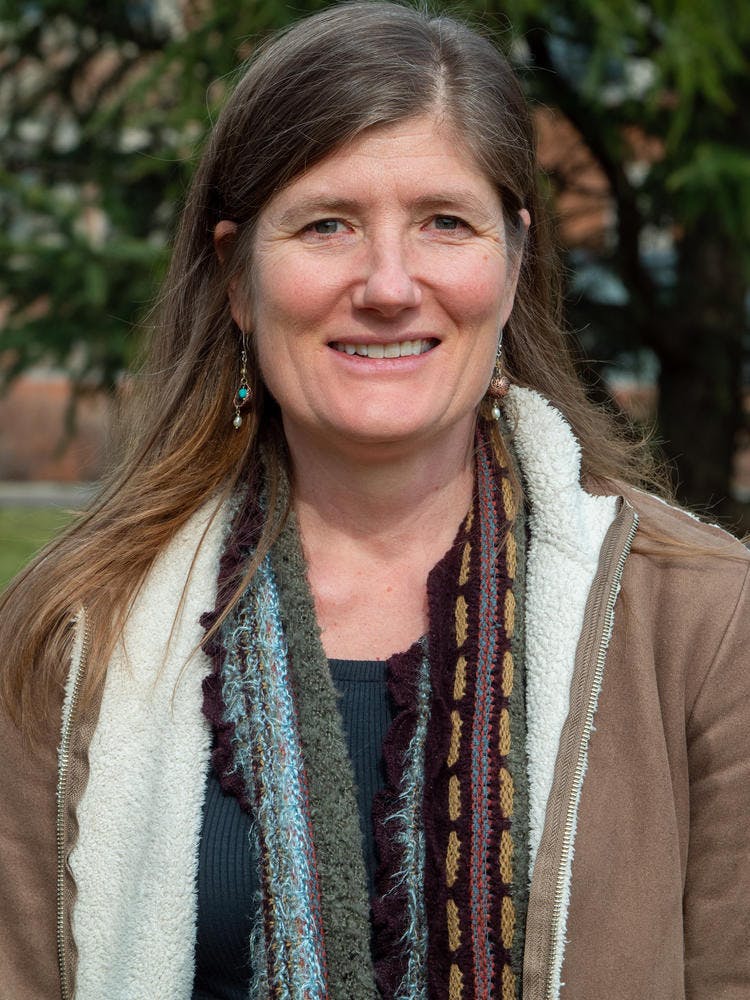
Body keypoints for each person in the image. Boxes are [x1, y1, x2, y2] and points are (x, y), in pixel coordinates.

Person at [1, 3, 748, 998]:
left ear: (513, 263)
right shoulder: (76, 627)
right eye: (327, 225)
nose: (390, 285)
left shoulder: (704, 623)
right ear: (235, 277)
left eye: (445, 221)